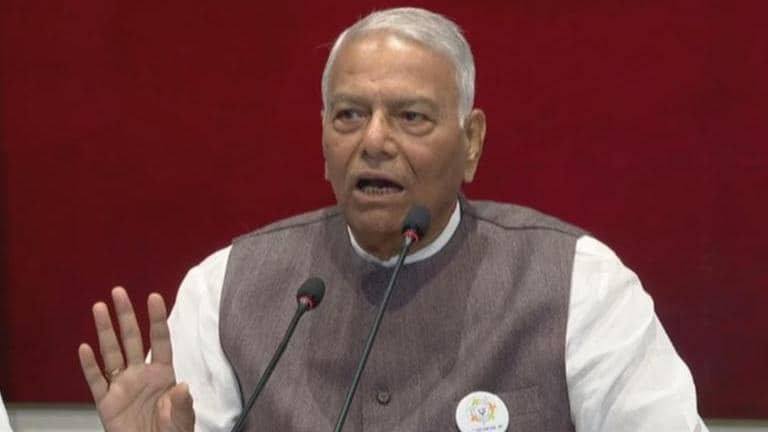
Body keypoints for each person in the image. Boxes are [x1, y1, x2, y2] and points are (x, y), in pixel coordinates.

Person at [79, 7, 708, 431]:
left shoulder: (580, 285)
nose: (374, 141)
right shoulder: (225, 289)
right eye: (349, 115)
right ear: (323, 139)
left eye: (411, 117)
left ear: (471, 142)